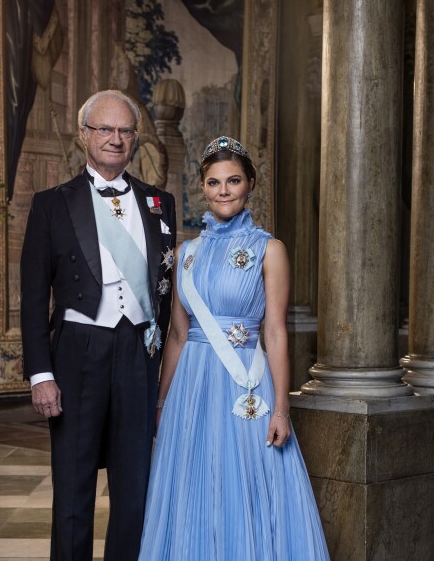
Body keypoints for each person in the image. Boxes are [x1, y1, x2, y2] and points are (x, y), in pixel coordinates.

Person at [139, 136, 329, 560]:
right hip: (191, 389)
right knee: (192, 488)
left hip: (244, 385)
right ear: (202, 187)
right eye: (213, 182)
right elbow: (176, 336)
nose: (223, 190)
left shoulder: (270, 250)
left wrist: (282, 408)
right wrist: (161, 401)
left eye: (233, 180)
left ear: (250, 184)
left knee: (243, 485)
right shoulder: (185, 253)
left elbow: (276, 332)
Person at [20, 89, 176, 561]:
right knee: (73, 481)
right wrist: (40, 374)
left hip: (137, 352)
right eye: (105, 129)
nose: (115, 138)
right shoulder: (51, 204)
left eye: (125, 130)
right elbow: (32, 297)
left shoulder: (158, 202)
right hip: (77, 351)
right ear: (84, 135)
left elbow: (166, 287)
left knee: (135, 484)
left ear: (134, 140)